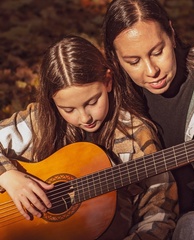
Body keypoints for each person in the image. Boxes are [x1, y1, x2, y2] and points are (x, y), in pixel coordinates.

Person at [0, 35, 178, 239]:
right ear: (52, 102)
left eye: (92, 102)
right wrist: (8, 176)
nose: (84, 117)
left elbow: (160, 212)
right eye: (68, 109)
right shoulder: (39, 122)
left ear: (108, 81)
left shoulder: (135, 135)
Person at [102, 0, 194, 239]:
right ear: (115, 59)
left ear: (172, 35)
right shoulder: (107, 95)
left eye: (157, 52)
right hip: (150, 224)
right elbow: (38, 123)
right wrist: (12, 173)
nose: (151, 70)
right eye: (133, 62)